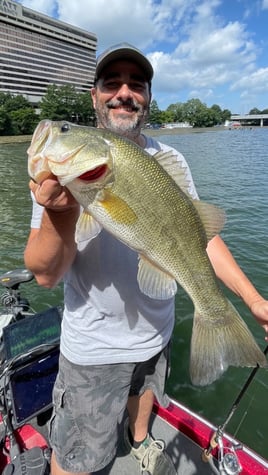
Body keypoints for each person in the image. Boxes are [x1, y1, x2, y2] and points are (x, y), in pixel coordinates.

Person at [24, 43, 268, 475]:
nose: (124, 92)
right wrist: (60, 212)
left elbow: (200, 238)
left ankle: (141, 440)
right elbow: (45, 275)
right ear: (94, 97)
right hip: (95, 350)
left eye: (136, 84)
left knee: (146, 396)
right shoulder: (56, 178)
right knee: (78, 458)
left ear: (148, 97)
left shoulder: (171, 158)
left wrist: (252, 301)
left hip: (157, 334)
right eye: (111, 84)